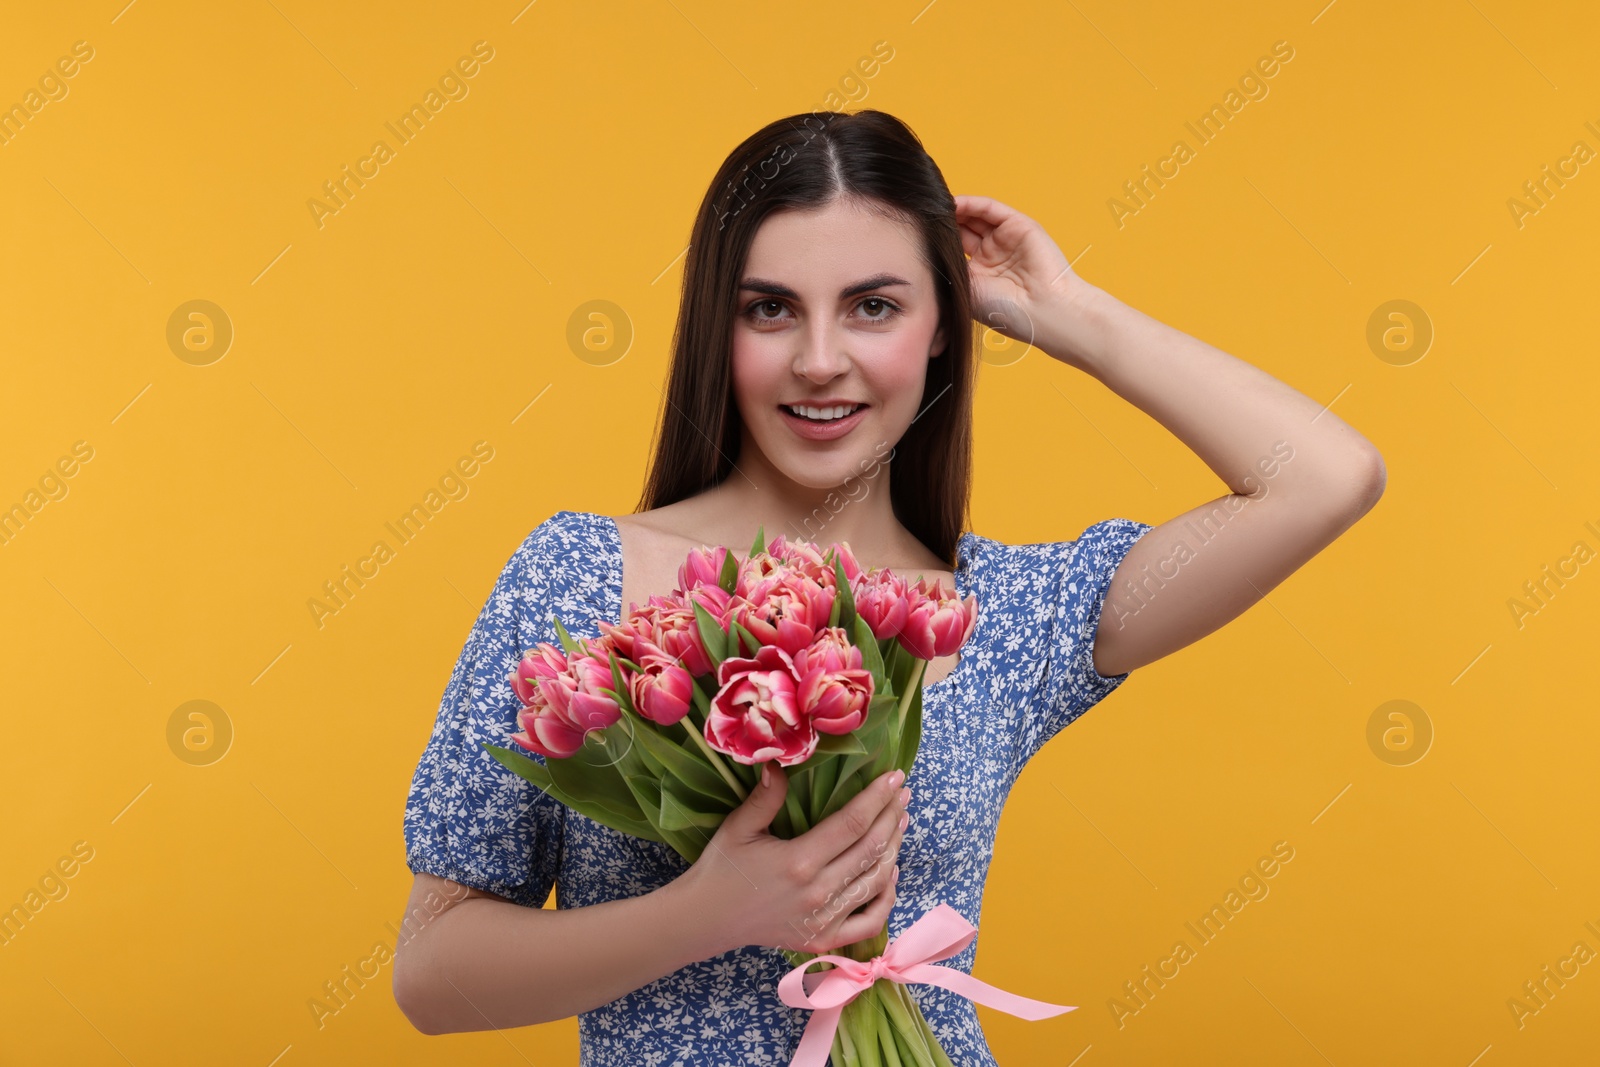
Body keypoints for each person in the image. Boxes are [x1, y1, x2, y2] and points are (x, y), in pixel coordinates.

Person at [391, 109, 1385, 1063]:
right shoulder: (575, 581)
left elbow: (1323, 476)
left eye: (875, 306)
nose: (820, 361)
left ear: (944, 323)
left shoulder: (995, 614)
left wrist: (1064, 312)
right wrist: (706, 913)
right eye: (769, 307)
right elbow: (432, 973)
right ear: (713, 326)